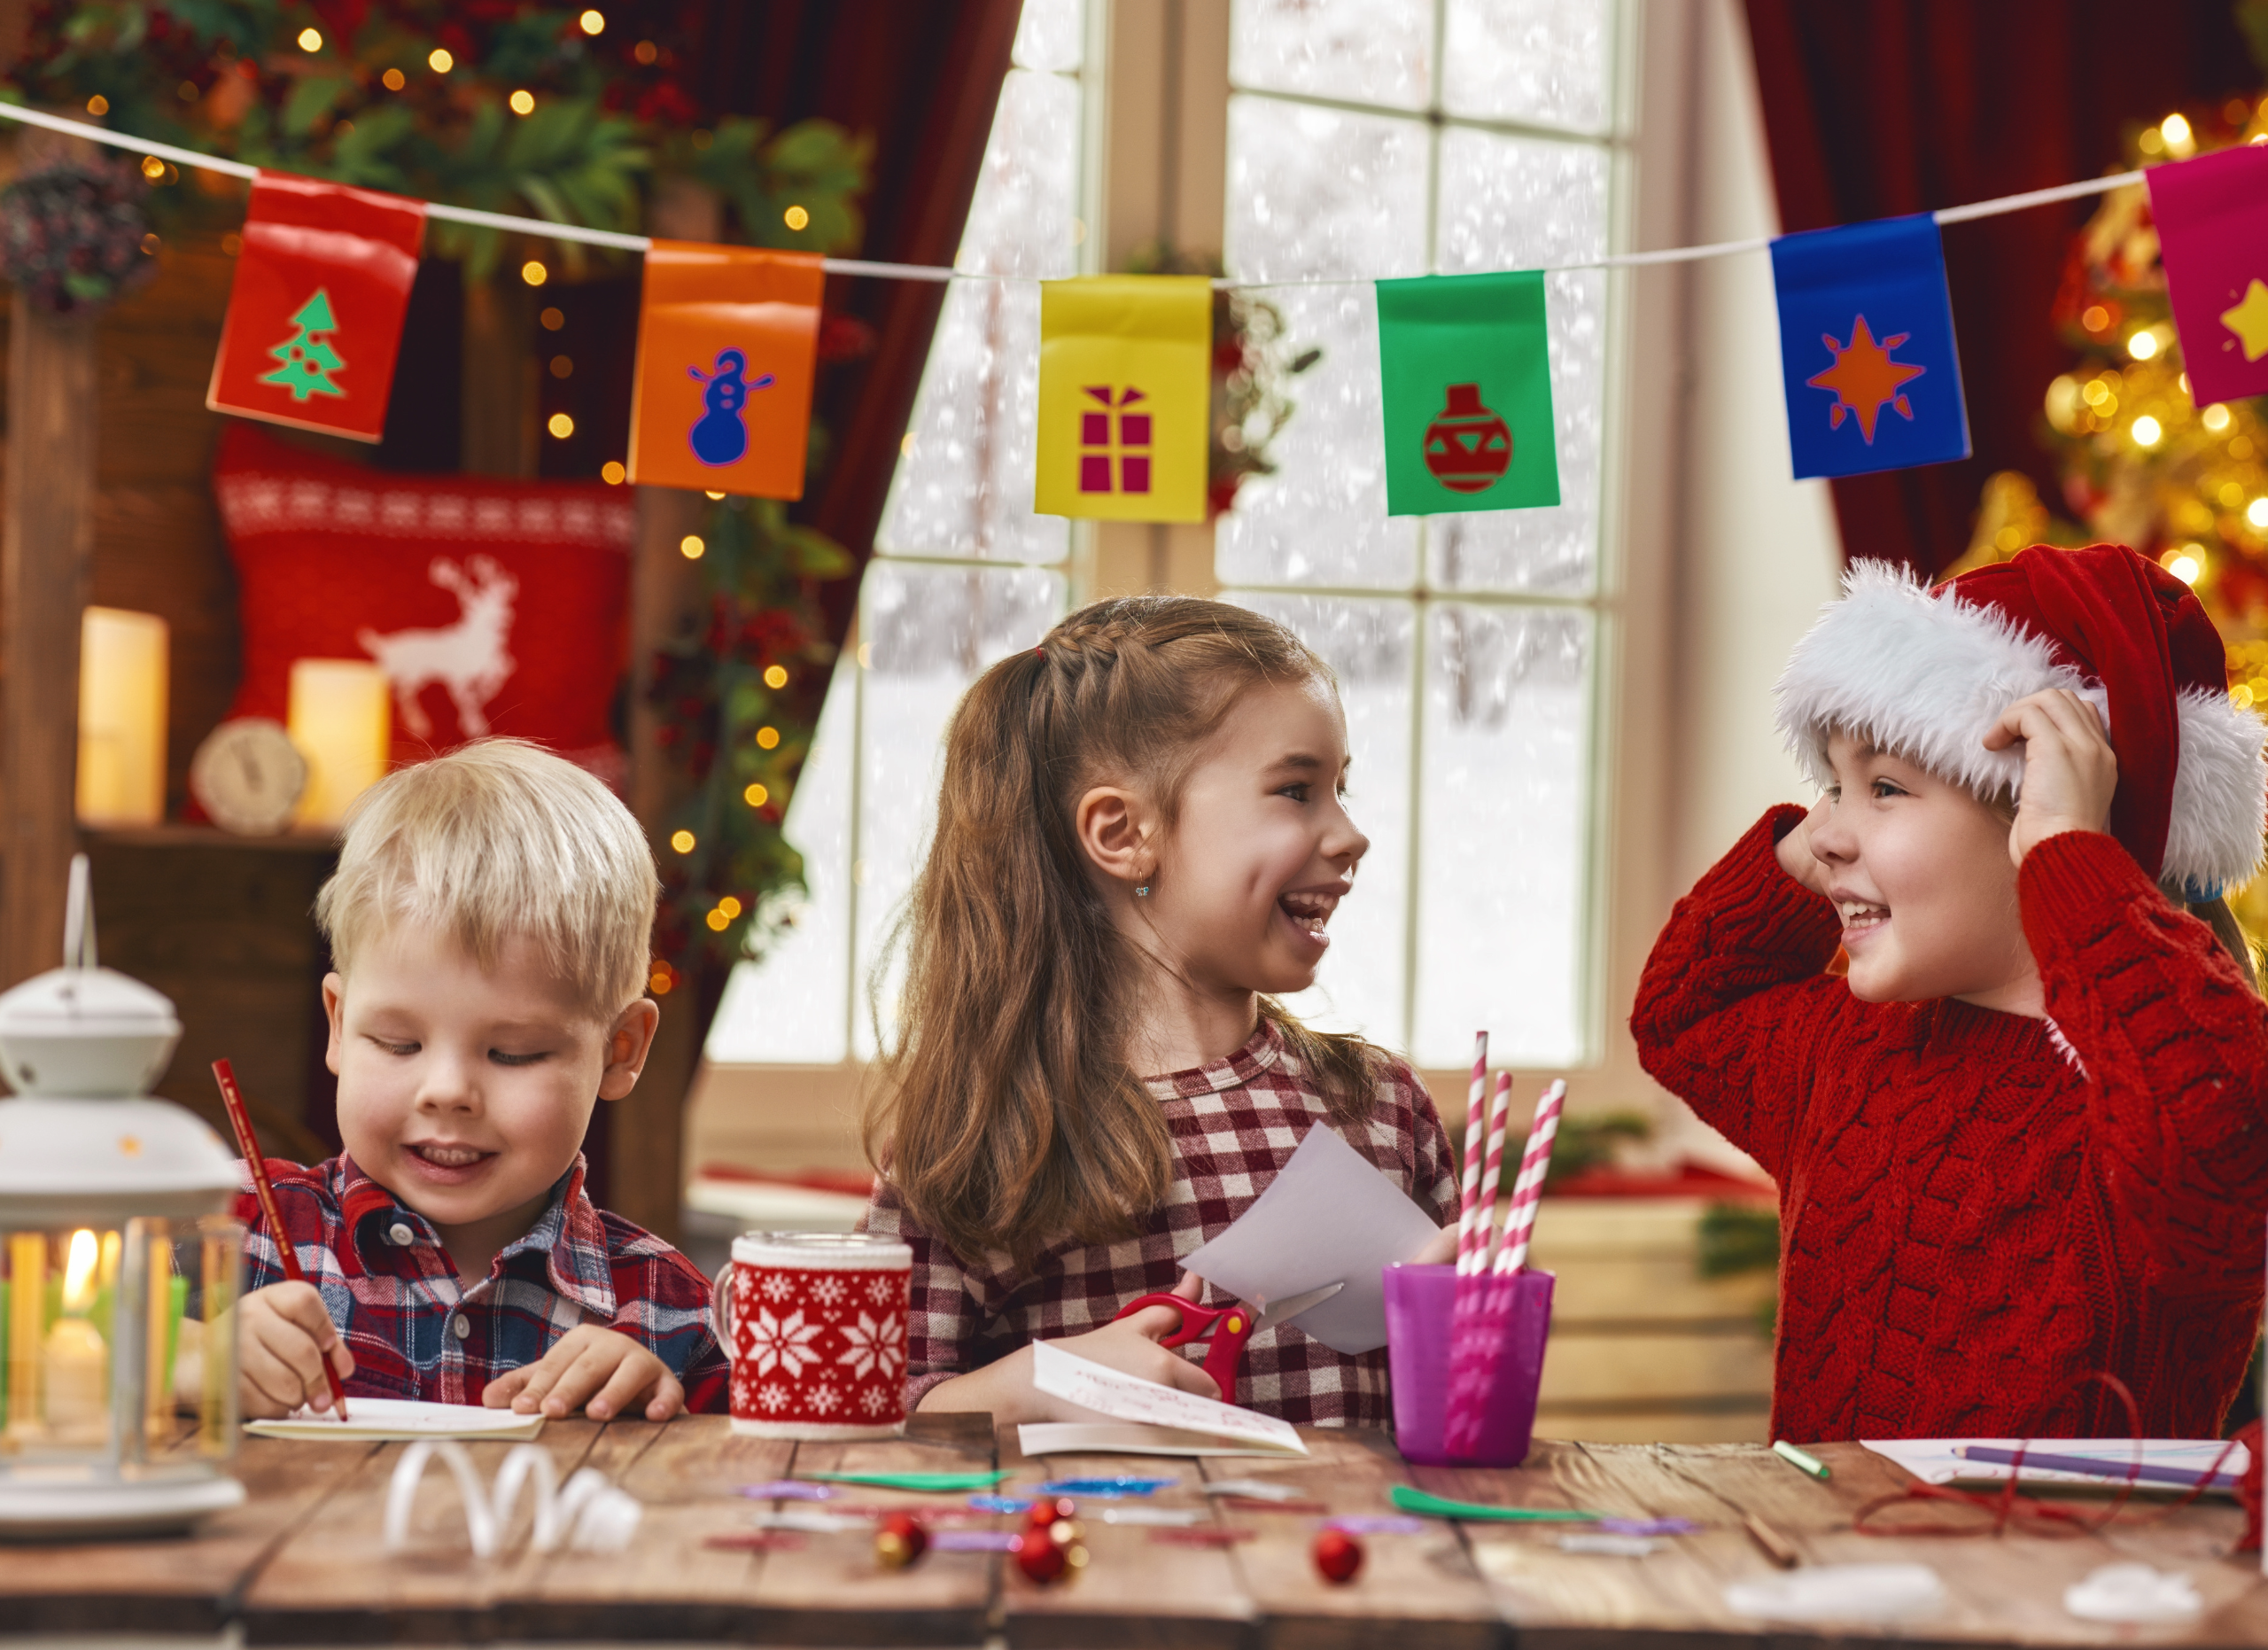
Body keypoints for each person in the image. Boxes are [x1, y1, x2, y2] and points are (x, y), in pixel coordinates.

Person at [1635, 543, 2268, 1442]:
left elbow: (2221, 1125)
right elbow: (1684, 1009)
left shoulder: (2146, 1103)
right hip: (1820, 1577)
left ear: (2042, 815)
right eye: (1829, 784)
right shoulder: (1845, 1049)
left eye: (1886, 785)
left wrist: (2071, 855)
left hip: (2068, 1584)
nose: (1825, 837)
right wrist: (1829, 821)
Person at [860, 596, 1462, 1427]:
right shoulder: (981, 1133)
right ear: (1121, 833)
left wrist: (1481, 1324)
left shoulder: (1383, 1109)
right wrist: (1029, 1388)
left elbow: (1456, 1415)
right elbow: (874, 1421)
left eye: (1340, 790)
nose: (1350, 833)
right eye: (1296, 790)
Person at [231, 738, 726, 1421]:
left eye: (514, 1054)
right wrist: (183, 1358)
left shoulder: (676, 1315)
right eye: (399, 1042)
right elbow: (47, 1349)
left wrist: (660, 1417)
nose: (447, 1092)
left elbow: (749, 1488)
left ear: (620, 1050)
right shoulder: (226, 1235)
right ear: (339, 1025)